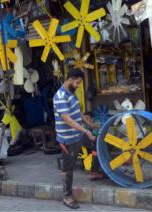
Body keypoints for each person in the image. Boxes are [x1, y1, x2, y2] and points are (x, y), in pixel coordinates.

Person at [53, 68, 100, 209]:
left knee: (96, 142)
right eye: (78, 83)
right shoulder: (60, 97)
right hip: (68, 140)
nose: (79, 85)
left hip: (78, 135)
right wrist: (86, 130)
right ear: (70, 79)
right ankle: (67, 197)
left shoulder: (71, 93)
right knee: (68, 168)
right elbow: (68, 120)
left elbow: (77, 113)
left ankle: (93, 172)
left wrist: (90, 124)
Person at [82, 112, 103, 180]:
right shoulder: (86, 125)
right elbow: (87, 134)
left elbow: (96, 135)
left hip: (97, 142)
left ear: (92, 119)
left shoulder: (97, 123)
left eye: (87, 118)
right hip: (91, 142)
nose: (86, 120)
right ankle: (94, 172)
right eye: (84, 119)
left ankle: (94, 172)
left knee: (96, 147)